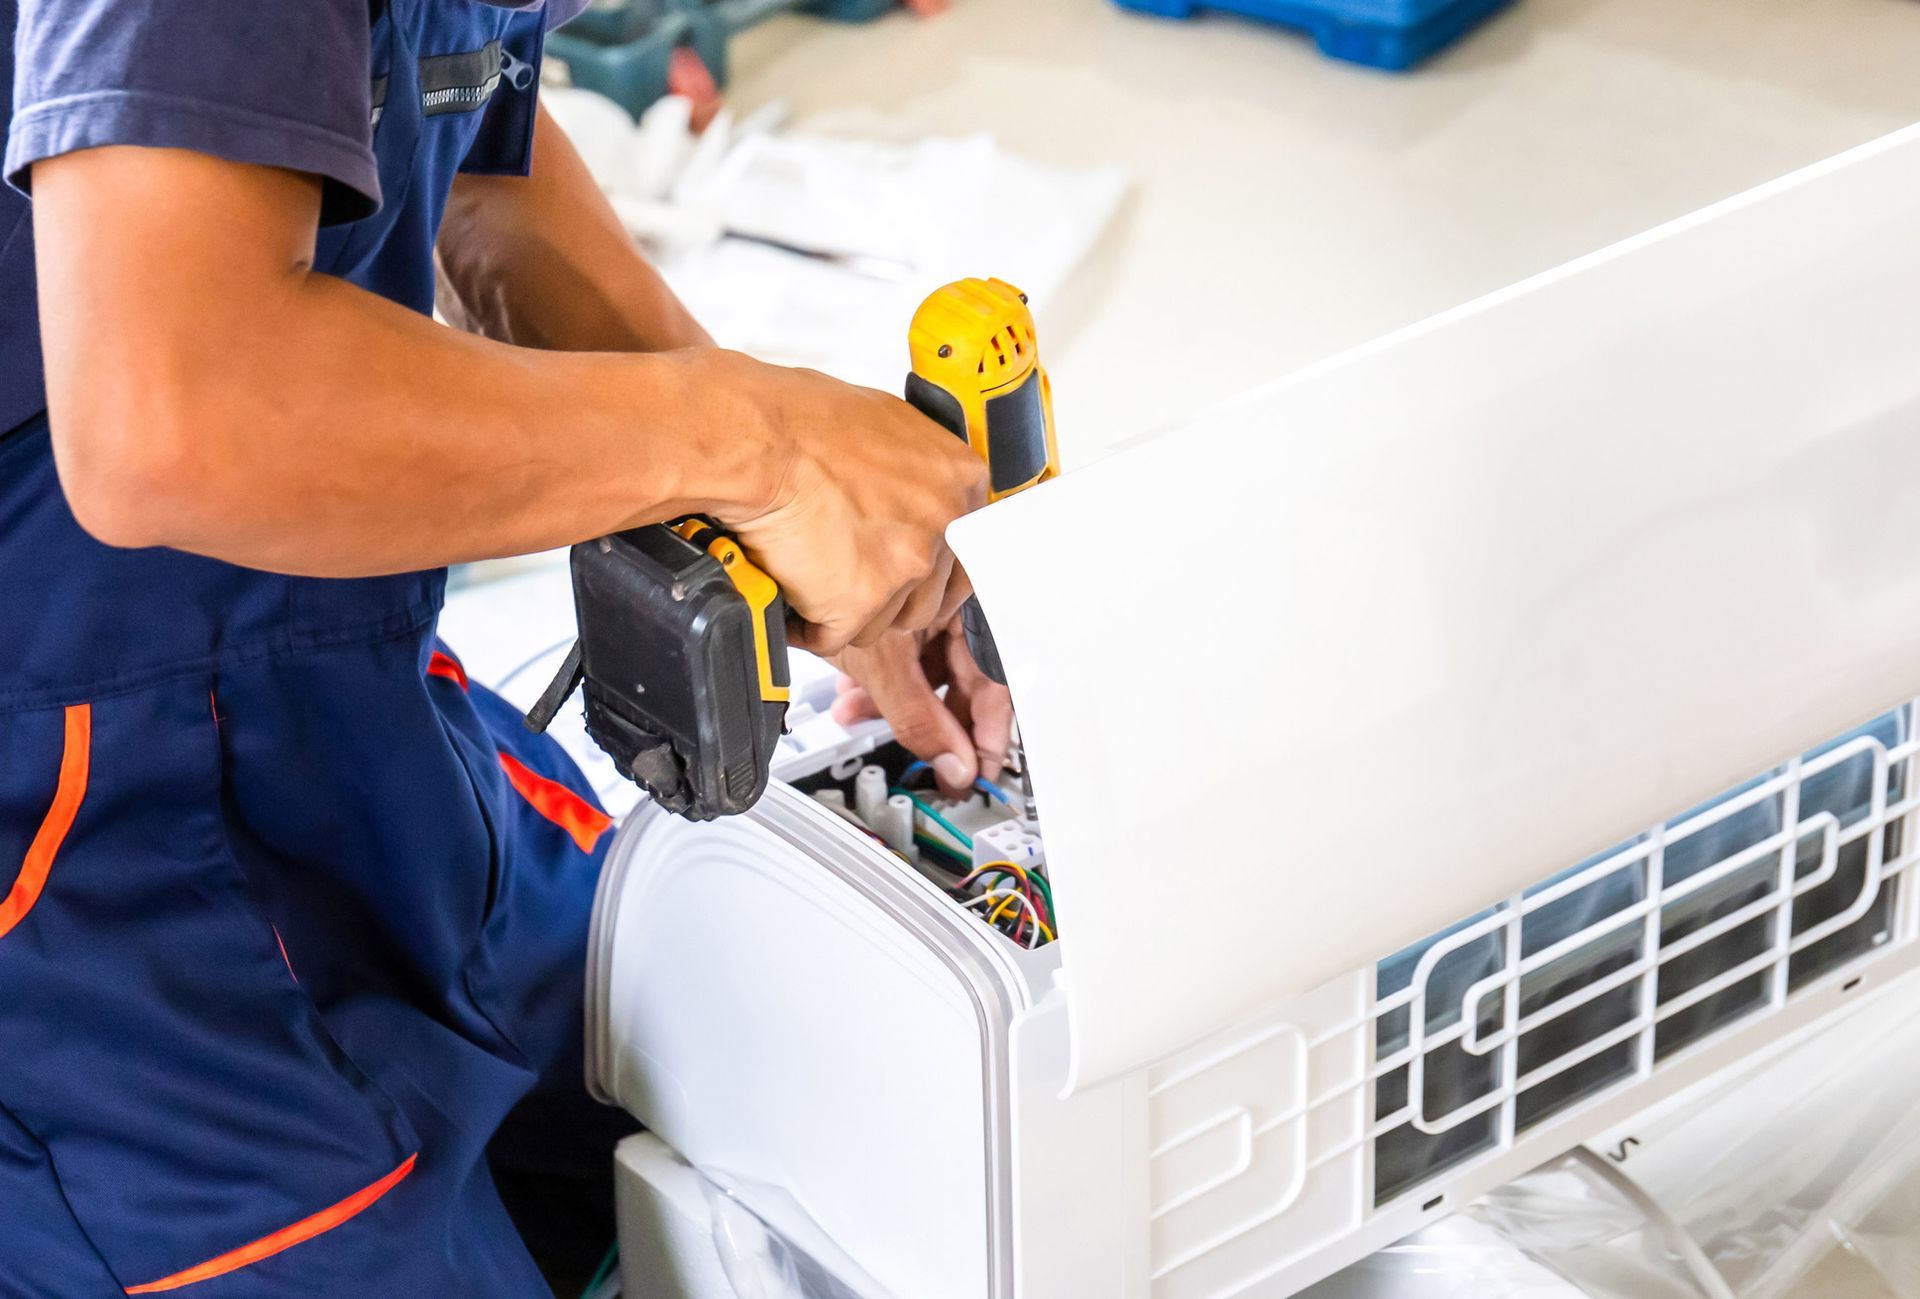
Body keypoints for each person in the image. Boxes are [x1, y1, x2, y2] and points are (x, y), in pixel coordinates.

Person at [0, 0, 1010, 1292]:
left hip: (336, 706)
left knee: (765, 1065)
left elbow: (475, 163)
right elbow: (169, 408)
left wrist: (790, 526)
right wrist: (756, 442)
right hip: (73, 887)